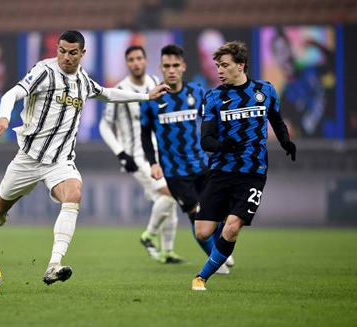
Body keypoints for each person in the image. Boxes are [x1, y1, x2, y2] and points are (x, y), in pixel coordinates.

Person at [0, 30, 169, 286]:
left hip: (60, 161)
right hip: (28, 158)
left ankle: (54, 264)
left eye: (72, 52)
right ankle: (1, 213)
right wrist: (4, 115)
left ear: (82, 53)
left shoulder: (83, 80)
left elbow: (108, 93)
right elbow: (12, 94)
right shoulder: (44, 71)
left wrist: (145, 96)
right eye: (61, 51)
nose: (66, 57)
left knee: (74, 193)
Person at [191, 41, 296, 291]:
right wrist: (224, 145)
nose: (219, 71)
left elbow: (277, 120)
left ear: (241, 65)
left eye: (224, 66)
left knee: (233, 227)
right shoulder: (214, 97)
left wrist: (286, 142)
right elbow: (206, 140)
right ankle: (226, 219)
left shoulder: (265, 90)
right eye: (217, 66)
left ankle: (201, 277)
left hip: (253, 172)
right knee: (202, 232)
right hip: (220, 171)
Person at [140, 44, 232, 274]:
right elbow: (144, 134)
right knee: (196, 215)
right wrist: (153, 162)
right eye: (167, 66)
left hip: (202, 165)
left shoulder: (197, 92)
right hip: (175, 172)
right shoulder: (152, 100)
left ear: (183, 67)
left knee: (217, 212)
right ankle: (215, 260)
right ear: (161, 68)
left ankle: (220, 249)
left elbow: (212, 122)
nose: (171, 70)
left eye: (175, 66)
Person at [99, 45, 183, 264]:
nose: (136, 63)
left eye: (139, 58)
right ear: (127, 64)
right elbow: (104, 126)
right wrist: (121, 154)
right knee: (170, 193)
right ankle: (149, 236)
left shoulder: (156, 83)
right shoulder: (119, 89)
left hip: (159, 155)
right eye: (131, 60)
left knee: (167, 200)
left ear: (146, 61)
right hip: (136, 157)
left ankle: (167, 252)